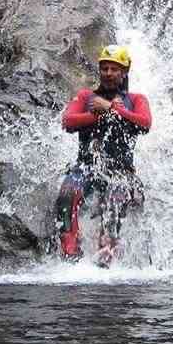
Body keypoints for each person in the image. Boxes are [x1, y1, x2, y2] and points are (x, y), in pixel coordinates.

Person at [57, 45, 152, 267]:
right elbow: (68, 122)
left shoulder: (136, 100)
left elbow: (145, 123)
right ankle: (70, 258)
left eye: (114, 69)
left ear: (124, 72)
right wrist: (95, 115)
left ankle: (105, 257)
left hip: (122, 172)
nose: (108, 73)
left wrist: (110, 109)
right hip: (87, 167)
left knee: (116, 197)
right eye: (104, 68)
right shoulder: (85, 97)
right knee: (67, 194)